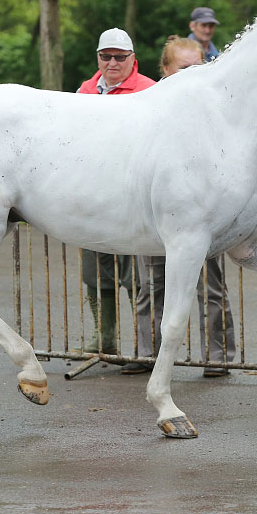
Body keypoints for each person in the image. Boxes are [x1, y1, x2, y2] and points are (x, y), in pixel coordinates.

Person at [129, 36, 237, 376]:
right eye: (185, 68)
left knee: (212, 288)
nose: (194, 74)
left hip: (202, 212)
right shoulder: (143, 105)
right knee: (150, 286)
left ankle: (216, 357)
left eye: (199, 67)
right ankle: (149, 354)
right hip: (153, 214)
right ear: (165, 69)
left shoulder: (216, 106)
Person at [76, 27, 156, 355]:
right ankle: (103, 336)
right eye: (105, 56)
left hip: (131, 196)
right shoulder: (84, 91)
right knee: (95, 267)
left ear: (132, 59)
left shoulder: (148, 89)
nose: (112, 63)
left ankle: (142, 345)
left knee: (134, 274)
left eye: (119, 57)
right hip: (92, 193)